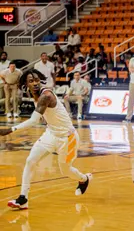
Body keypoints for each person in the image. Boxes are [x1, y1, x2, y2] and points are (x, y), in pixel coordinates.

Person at [2, 69, 92, 210]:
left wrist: (11, 129)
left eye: (37, 80)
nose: (35, 83)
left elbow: (33, 121)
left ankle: (84, 179)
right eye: (31, 81)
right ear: (26, 85)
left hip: (67, 138)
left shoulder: (46, 95)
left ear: (41, 80)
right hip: (51, 134)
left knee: (65, 170)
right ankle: (23, 198)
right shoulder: (34, 95)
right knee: (30, 161)